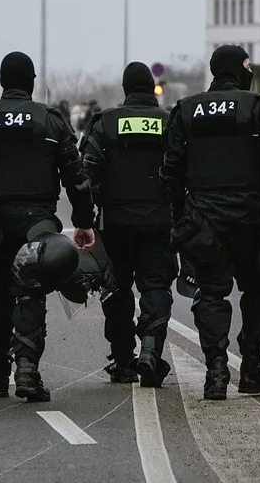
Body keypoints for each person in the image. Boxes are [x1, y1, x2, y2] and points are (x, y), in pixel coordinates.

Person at [0, 51, 95, 401]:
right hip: (36, 222)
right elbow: (77, 179)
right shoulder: (50, 121)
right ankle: (27, 369)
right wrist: (85, 224)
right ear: (32, 82)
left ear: (2, 81)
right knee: (31, 292)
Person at [160, 45, 260, 400]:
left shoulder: (186, 111)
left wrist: (180, 219)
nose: (251, 68)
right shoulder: (256, 107)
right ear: (237, 69)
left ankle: (216, 370)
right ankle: (252, 369)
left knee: (211, 293)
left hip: (205, 219)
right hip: (249, 218)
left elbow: (171, 171)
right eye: (247, 64)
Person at [81, 62, 178, 387]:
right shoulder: (170, 123)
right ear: (152, 88)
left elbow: (87, 173)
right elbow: (185, 170)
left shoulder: (106, 123)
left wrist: (88, 217)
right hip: (160, 224)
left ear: (125, 90)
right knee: (155, 289)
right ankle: (150, 351)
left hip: (115, 225)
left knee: (116, 292)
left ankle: (123, 361)